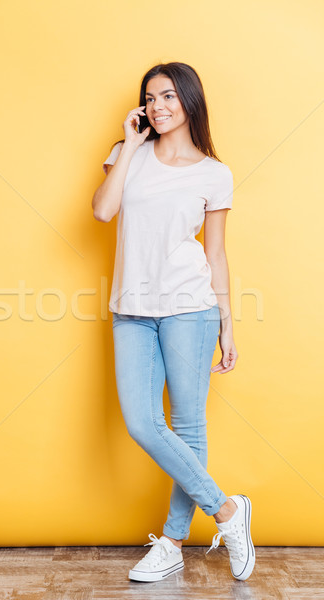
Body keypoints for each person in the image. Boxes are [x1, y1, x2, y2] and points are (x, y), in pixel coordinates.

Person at [91, 62, 255, 583]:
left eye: (168, 96)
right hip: (132, 311)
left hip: (191, 307)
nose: (158, 106)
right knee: (143, 421)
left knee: (188, 425)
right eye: (150, 97)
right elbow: (101, 211)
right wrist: (128, 146)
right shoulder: (129, 156)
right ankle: (228, 511)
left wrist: (228, 323)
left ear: (189, 100)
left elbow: (217, 253)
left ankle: (172, 541)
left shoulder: (214, 173)